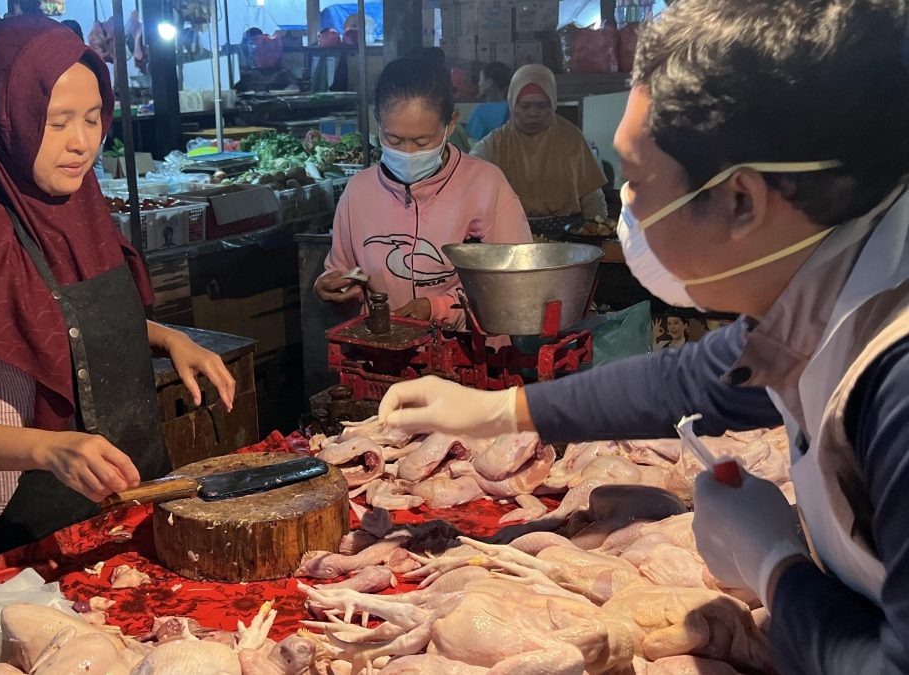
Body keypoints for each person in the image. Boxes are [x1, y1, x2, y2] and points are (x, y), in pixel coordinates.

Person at [378, 0, 909, 672]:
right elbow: (687, 380)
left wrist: (774, 566)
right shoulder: (828, 285)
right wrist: (497, 410)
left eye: (633, 182)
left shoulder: (896, 380)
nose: (623, 210)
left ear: (741, 201)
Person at [0, 17, 237, 569]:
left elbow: (52, 322)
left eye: (93, 119)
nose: (81, 143)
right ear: (7, 118)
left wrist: (166, 339)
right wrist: (44, 448)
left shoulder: (80, 204)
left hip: (128, 492)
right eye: (55, 122)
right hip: (18, 527)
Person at [314, 57, 531, 329]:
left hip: (468, 359)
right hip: (384, 359)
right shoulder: (359, 192)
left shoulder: (486, 185)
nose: (407, 153)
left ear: (450, 125)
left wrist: (438, 308)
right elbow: (341, 272)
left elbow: (514, 283)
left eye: (422, 141)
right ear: (378, 123)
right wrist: (331, 287)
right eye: (393, 140)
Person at [471, 64, 607, 237]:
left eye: (542, 106)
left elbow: (592, 196)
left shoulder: (572, 140)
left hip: (568, 239)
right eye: (525, 106)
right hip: (510, 237)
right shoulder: (495, 144)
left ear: (553, 104)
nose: (534, 113)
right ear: (512, 104)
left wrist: (598, 232)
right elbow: (470, 183)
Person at [465, 62, 511, 141]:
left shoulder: (481, 111)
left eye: (481, 80)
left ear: (489, 83)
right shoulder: (513, 108)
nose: (479, 83)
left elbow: (471, 142)